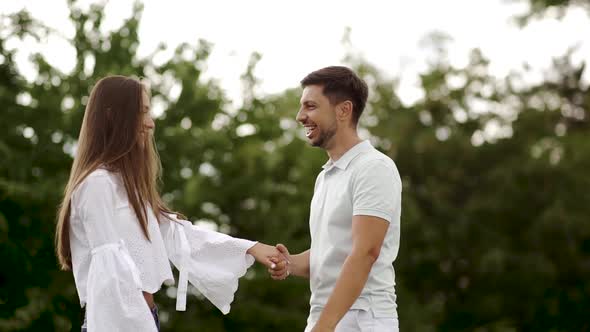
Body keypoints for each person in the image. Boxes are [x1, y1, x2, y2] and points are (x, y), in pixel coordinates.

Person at [54, 75, 286, 332]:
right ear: (112, 115)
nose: (150, 123)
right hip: (119, 323)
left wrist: (251, 248)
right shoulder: (97, 185)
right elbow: (111, 279)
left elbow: (176, 235)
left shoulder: (127, 186)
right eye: (142, 112)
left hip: (143, 318)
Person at [269, 66, 402, 331]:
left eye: (310, 106)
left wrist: (325, 326)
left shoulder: (374, 167)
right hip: (325, 318)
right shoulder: (326, 176)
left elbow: (365, 252)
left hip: (362, 318)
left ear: (343, 110)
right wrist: (290, 263)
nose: (300, 116)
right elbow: (332, 251)